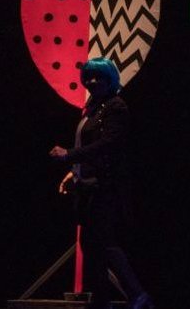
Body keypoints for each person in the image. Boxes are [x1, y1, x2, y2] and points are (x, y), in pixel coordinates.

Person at [49, 57, 154, 309]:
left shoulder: (116, 107)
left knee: (105, 244)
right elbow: (85, 145)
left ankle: (138, 294)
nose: (93, 81)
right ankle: (102, 299)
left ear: (110, 80)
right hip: (87, 185)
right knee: (90, 246)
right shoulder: (93, 107)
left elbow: (108, 145)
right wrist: (74, 172)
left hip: (105, 187)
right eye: (89, 77)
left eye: (99, 77)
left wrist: (69, 156)